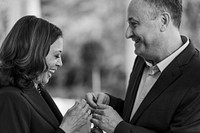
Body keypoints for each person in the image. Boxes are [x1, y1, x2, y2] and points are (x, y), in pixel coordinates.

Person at [85, 0, 200, 133]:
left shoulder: (196, 76)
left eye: (134, 24)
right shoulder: (141, 59)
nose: (127, 33)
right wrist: (110, 103)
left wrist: (118, 127)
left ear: (163, 21)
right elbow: (140, 115)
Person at [0, 15, 91, 133]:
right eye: (56, 55)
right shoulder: (9, 99)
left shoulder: (37, 90)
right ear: (35, 53)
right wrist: (66, 128)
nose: (60, 63)